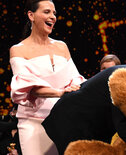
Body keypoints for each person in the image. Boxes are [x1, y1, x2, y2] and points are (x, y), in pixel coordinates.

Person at [9, 0, 85, 154]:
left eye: (54, 13)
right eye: (46, 12)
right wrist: (59, 92)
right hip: (34, 123)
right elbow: (27, 87)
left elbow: (76, 78)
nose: (52, 17)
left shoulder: (62, 46)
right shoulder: (18, 50)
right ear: (31, 15)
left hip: (64, 119)